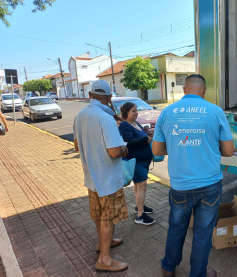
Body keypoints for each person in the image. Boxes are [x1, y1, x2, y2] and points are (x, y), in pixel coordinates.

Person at [152, 74, 234, 277]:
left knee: (176, 228)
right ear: (204, 90)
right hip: (210, 184)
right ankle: (197, 274)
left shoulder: (167, 112)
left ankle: (168, 268)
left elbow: (157, 150)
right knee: (202, 234)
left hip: (180, 184)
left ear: (184, 90)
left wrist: (180, 147)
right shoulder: (215, 111)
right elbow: (229, 152)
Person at [73, 80, 129, 272]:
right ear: (109, 98)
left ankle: (103, 244)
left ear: (89, 95)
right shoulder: (106, 119)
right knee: (108, 218)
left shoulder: (80, 116)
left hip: (91, 177)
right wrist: (124, 148)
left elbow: (77, 147)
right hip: (108, 179)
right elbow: (114, 152)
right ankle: (104, 259)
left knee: (99, 215)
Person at [118, 102, 155, 226]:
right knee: (142, 185)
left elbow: (139, 138)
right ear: (126, 112)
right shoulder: (124, 125)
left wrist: (147, 135)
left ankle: (139, 207)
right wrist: (145, 139)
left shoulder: (136, 123)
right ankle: (140, 215)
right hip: (136, 161)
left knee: (138, 185)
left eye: (136, 110)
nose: (136, 113)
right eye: (133, 111)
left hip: (143, 160)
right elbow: (127, 142)